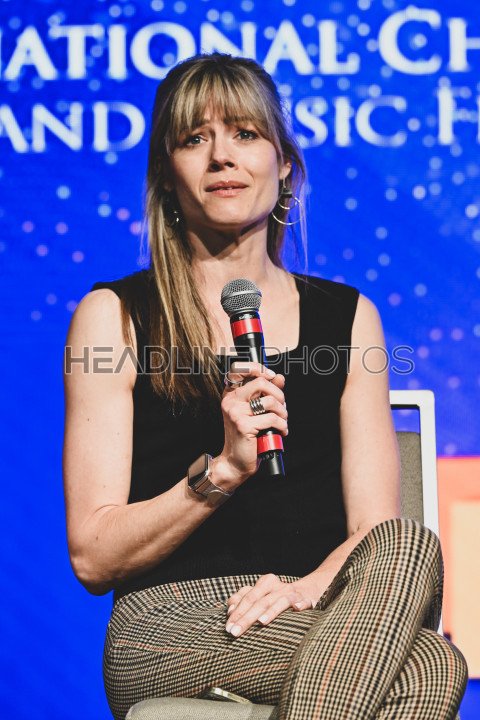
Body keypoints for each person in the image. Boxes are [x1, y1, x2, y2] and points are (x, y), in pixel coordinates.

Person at [63, 53, 467, 720]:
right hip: (169, 626)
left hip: (317, 605)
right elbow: (92, 556)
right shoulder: (116, 317)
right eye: (195, 139)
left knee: (408, 544)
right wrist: (222, 471)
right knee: (432, 664)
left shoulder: (349, 318)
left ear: (284, 166)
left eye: (245, 134)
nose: (222, 156)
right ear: (167, 172)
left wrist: (305, 591)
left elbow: (372, 531)